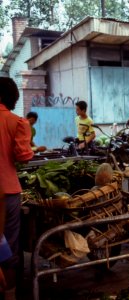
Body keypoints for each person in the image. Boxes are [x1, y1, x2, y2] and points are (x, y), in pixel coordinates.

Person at [0, 77, 34, 299]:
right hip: (7, 192)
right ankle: (9, 294)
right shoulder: (16, 122)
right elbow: (23, 157)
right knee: (7, 247)